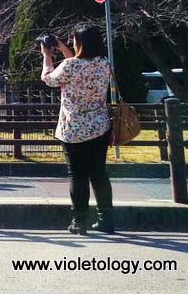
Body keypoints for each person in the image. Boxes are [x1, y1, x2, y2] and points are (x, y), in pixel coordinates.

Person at [40, 25, 115, 234]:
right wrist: (63, 48)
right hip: (100, 126)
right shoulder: (104, 64)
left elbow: (49, 79)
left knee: (77, 175)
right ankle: (106, 220)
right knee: (99, 173)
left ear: (79, 43)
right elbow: (76, 61)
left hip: (73, 129)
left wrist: (47, 55)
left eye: (74, 41)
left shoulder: (70, 66)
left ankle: (79, 222)